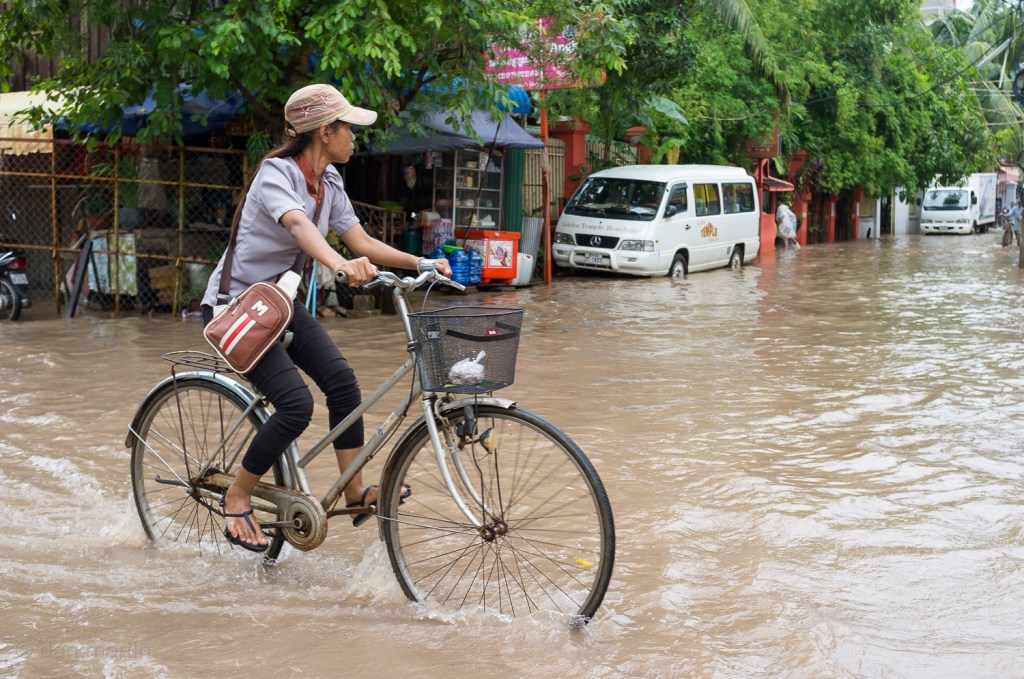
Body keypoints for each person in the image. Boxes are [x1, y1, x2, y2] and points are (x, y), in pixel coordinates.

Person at [201, 83, 451, 552]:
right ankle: (238, 495)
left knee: (342, 382)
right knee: (297, 405)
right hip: (237, 308)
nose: (355, 137)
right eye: (349, 128)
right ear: (324, 131)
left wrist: (420, 263)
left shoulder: (331, 182)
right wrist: (337, 266)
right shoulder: (275, 174)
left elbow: (361, 242)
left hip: (279, 304)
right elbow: (296, 225)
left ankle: (354, 492)